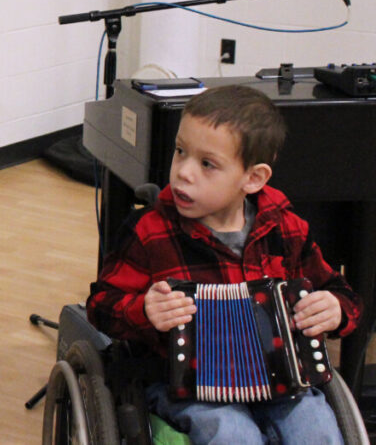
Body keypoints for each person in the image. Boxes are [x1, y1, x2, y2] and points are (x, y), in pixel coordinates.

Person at [87, 84, 361, 444]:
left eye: (207, 164)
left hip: (281, 382)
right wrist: (143, 310)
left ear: (253, 178)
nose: (184, 172)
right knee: (233, 434)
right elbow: (100, 306)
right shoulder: (150, 231)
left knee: (317, 430)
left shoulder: (284, 226)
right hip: (185, 387)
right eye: (180, 151)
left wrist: (335, 310)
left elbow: (341, 294)